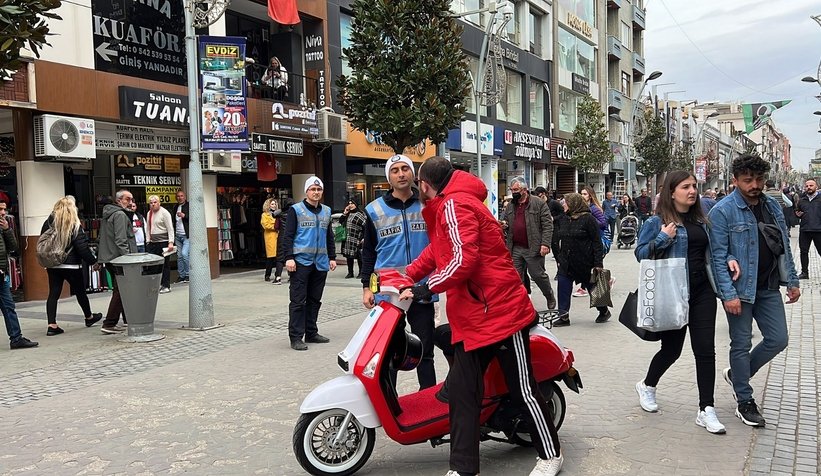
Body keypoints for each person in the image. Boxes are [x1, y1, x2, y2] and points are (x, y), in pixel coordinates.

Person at [401, 156, 563, 476]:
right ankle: (463, 468)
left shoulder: (454, 205)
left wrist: (424, 288)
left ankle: (550, 454)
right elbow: (439, 251)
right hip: (474, 317)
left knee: (524, 389)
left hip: (501, 313)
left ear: (424, 184)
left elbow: (463, 261)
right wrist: (406, 275)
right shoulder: (450, 203)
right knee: (463, 392)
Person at [709, 154, 800, 427]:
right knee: (741, 343)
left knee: (778, 339)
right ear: (735, 180)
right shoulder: (723, 211)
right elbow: (717, 257)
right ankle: (744, 400)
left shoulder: (772, 206)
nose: (755, 184)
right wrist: (728, 294)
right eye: (748, 180)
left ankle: (738, 374)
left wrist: (793, 281)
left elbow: (784, 246)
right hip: (741, 290)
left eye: (759, 179)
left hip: (769, 286)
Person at [633, 171, 725, 434]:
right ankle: (647, 385)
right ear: (671, 192)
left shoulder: (702, 220)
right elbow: (640, 255)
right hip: (673, 293)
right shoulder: (656, 221)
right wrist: (663, 238)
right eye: (686, 186)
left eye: (694, 186)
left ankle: (706, 409)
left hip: (702, 292)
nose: (692, 191)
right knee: (672, 350)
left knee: (705, 349)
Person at [361, 155, 437, 390]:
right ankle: (390, 403)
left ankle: (429, 398)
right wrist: (366, 287)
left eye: (405, 168)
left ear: (413, 174)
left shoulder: (428, 205)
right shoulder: (373, 210)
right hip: (388, 291)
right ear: (389, 177)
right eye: (395, 170)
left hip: (421, 288)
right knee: (390, 351)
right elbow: (368, 252)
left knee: (425, 350)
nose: (401, 173)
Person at [281, 176, 337, 351]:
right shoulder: (295, 210)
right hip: (300, 262)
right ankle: (296, 336)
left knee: (315, 300)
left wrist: (332, 257)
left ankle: (311, 332)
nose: (316, 192)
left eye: (319, 190)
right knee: (298, 301)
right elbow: (287, 236)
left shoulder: (326, 211)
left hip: (320, 263)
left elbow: (329, 236)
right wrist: (288, 257)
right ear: (306, 191)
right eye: (313, 189)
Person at [40, 197, 104, 335]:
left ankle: (52, 325)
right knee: (80, 292)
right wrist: (94, 262)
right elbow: (82, 248)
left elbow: (43, 241)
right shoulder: (74, 225)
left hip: (53, 264)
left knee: (53, 293)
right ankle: (89, 317)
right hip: (71, 265)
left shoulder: (48, 223)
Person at [500, 176, 557, 310]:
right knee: (515, 278)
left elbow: (548, 225)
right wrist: (503, 224)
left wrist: (545, 244)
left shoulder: (538, 203)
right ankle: (520, 304)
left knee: (538, 275)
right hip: (515, 248)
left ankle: (549, 295)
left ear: (525, 190)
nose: (513, 192)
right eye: (511, 189)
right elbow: (504, 220)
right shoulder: (510, 206)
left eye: (516, 190)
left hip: (533, 247)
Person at [552, 193, 609, 326]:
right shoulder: (564, 219)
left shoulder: (589, 219)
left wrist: (598, 263)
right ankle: (564, 316)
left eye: (565, 202)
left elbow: (596, 242)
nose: (563, 205)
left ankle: (604, 311)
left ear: (574, 204)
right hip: (567, 262)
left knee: (594, 288)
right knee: (563, 286)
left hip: (585, 261)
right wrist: (559, 257)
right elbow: (559, 239)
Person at [98, 191, 138, 334]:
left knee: (122, 288)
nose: (130, 202)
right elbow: (121, 240)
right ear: (119, 200)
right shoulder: (120, 215)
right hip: (118, 258)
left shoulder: (109, 214)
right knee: (121, 289)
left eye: (131, 199)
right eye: (128, 199)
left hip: (109, 257)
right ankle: (109, 323)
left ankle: (128, 319)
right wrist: (128, 259)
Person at [0, 201, 38, 349]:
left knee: (9, 306)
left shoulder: (3, 226)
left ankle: (16, 338)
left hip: (2, 274)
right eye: (0, 209)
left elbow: (14, 248)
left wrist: (7, 230)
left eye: (4, 209)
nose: (3, 213)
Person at [146, 195, 174, 294]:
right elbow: (148, 228)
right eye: (151, 203)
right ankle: (157, 284)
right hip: (153, 242)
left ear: (159, 203)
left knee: (165, 264)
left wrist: (170, 242)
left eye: (154, 202)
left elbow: (170, 228)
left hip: (163, 242)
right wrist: (148, 240)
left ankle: (166, 285)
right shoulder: (149, 213)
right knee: (155, 264)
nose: (153, 204)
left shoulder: (165, 213)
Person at [794, 178, 821, 279]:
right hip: (805, 229)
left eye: (811, 186)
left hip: (818, 230)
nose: (808, 188)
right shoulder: (802, 200)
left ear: (816, 187)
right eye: (807, 186)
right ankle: (804, 272)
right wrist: (798, 215)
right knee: (803, 251)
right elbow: (797, 211)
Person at [340, 200, 366, 279]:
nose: (350, 205)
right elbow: (341, 221)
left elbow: (366, 226)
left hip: (357, 238)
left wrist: (363, 237)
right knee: (349, 256)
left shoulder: (360, 214)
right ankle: (350, 272)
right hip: (348, 238)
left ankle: (361, 272)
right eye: (349, 204)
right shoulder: (348, 214)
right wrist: (345, 213)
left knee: (359, 256)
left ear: (356, 205)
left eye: (352, 204)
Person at [261, 198, 283, 282]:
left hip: (279, 236)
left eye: (275, 204)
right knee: (270, 258)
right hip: (270, 237)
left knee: (279, 257)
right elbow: (265, 225)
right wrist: (275, 226)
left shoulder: (279, 214)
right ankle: (267, 274)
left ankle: (278, 274)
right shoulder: (264, 215)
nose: (274, 206)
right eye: (272, 204)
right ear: (268, 205)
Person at [174, 191, 190, 283]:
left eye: (181, 196)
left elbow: (194, 217)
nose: (180, 198)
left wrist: (185, 216)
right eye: (178, 196)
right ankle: (181, 275)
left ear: (185, 197)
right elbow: (174, 220)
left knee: (184, 254)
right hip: (178, 235)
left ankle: (188, 274)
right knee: (179, 256)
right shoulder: (175, 207)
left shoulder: (189, 206)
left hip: (186, 235)